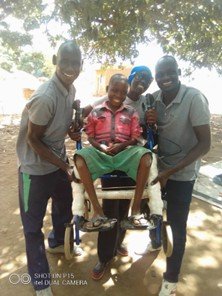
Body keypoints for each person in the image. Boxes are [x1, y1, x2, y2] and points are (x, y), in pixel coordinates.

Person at [72, 67, 163, 280]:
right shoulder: (100, 106)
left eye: (147, 79)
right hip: (104, 157)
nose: (119, 96)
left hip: (127, 156)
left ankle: (123, 232)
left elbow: (140, 136)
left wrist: (126, 145)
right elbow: (90, 130)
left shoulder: (139, 107)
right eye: (115, 91)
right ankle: (104, 257)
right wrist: (99, 144)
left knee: (124, 206)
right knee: (111, 206)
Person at [16, 40, 83, 296]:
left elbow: (57, 128)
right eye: (65, 61)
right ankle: (41, 281)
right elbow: (33, 140)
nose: (70, 67)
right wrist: (62, 166)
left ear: (81, 65)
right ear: (55, 61)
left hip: (55, 162)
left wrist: (72, 130)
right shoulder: (46, 96)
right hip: (33, 169)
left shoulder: (71, 89)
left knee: (65, 205)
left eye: (75, 63)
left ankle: (56, 242)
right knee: (32, 228)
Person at [145, 55, 211, 296]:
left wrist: (170, 172)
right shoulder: (154, 99)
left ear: (179, 72)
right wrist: (148, 123)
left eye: (169, 73)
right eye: (160, 74)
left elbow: (205, 144)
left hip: (182, 174)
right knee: (151, 210)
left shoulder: (194, 98)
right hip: (159, 170)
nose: (165, 78)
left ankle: (171, 280)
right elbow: (131, 105)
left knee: (176, 225)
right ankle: (154, 240)